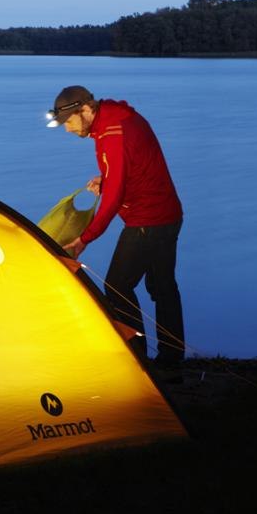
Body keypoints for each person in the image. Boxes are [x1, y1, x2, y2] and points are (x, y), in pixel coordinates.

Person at [46, 86, 185, 363]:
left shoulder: (112, 133)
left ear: (85, 110)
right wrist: (106, 179)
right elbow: (127, 170)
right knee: (162, 288)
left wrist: (86, 237)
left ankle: (136, 359)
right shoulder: (113, 120)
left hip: (148, 220)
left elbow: (113, 198)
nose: (68, 130)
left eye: (70, 122)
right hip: (165, 215)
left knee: (118, 285)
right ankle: (171, 362)